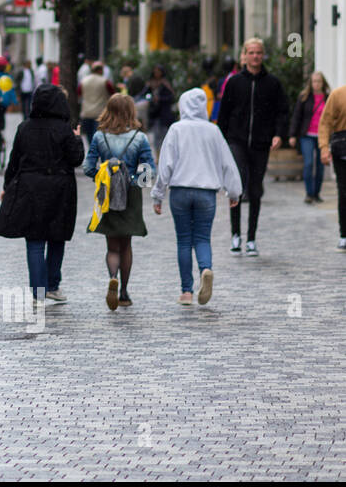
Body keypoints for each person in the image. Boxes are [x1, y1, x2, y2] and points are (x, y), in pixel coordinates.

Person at [0, 84, 84, 305]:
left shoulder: (25, 127)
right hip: (59, 188)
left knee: (34, 240)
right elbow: (76, 159)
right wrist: (77, 138)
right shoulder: (63, 129)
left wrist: (7, 186)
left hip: (29, 187)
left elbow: (14, 161)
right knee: (56, 237)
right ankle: (52, 285)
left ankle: (38, 291)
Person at [151, 89, 243, 306]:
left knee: (183, 240)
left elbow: (165, 164)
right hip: (206, 192)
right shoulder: (213, 131)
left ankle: (186, 291)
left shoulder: (176, 130)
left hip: (180, 191)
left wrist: (158, 194)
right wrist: (234, 191)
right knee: (202, 237)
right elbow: (227, 163)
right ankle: (206, 269)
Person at [82, 93, 156, 310]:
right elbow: (149, 170)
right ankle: (123, 292)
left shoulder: (99, 136)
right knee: (126, 245)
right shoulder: (139, 138)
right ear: (131, 112)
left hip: (107, 194)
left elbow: (87, 168)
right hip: (131, 196)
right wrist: (132, 180)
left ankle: (112, 277)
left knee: (112, 246)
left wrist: (105, 176)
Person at [217, 38, 289, 256]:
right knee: (236, 186)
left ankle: (251, 238)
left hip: (261, 142)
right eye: (252, 52)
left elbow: (282, 111)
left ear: (262, 55)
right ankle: (235, 234)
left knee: (256, 188)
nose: (255, 56)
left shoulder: (273, 84)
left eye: (259, 53)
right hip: (237, 140)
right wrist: (221, 140)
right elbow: (224, 113)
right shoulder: (235, 82)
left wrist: (278, 134)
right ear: (245, 55)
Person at [290, 71, 331, 205]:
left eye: (319, 81)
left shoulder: (328, 97)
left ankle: (316, 193)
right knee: (308, 163)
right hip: (306, 135)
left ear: (322, 82)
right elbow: (297, 116)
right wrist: (292, 135)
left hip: (323, 136)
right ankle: (309, 193)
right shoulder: (304, 97)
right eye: (314, 81)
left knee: (320, 165)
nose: (316, 84)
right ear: (310, 83)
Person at [316, 80, 346, 251]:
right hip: (342, 147)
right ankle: (344, 233)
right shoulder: (338, 94)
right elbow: (325, 122)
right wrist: (324, 148)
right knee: (343, 191)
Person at [77, 62, 116, 146]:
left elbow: (79, 93)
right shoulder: (105, 82)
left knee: (89, 134)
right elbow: (112, 94)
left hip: (86, 112)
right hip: (100, 112)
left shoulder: (83, 81)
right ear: (100, 70)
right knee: (98, 134)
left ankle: (92, 149)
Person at [144, 65, 177, 151]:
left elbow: (171, 97)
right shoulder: (150, 84)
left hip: (164, 114)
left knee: (164, 135)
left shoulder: (165, 84)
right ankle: (158, 154)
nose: (156, 73)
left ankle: (164, 152)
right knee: (156, 135)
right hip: (154, 114)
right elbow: (145, 94)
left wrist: (160, 99)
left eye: (158, 71)